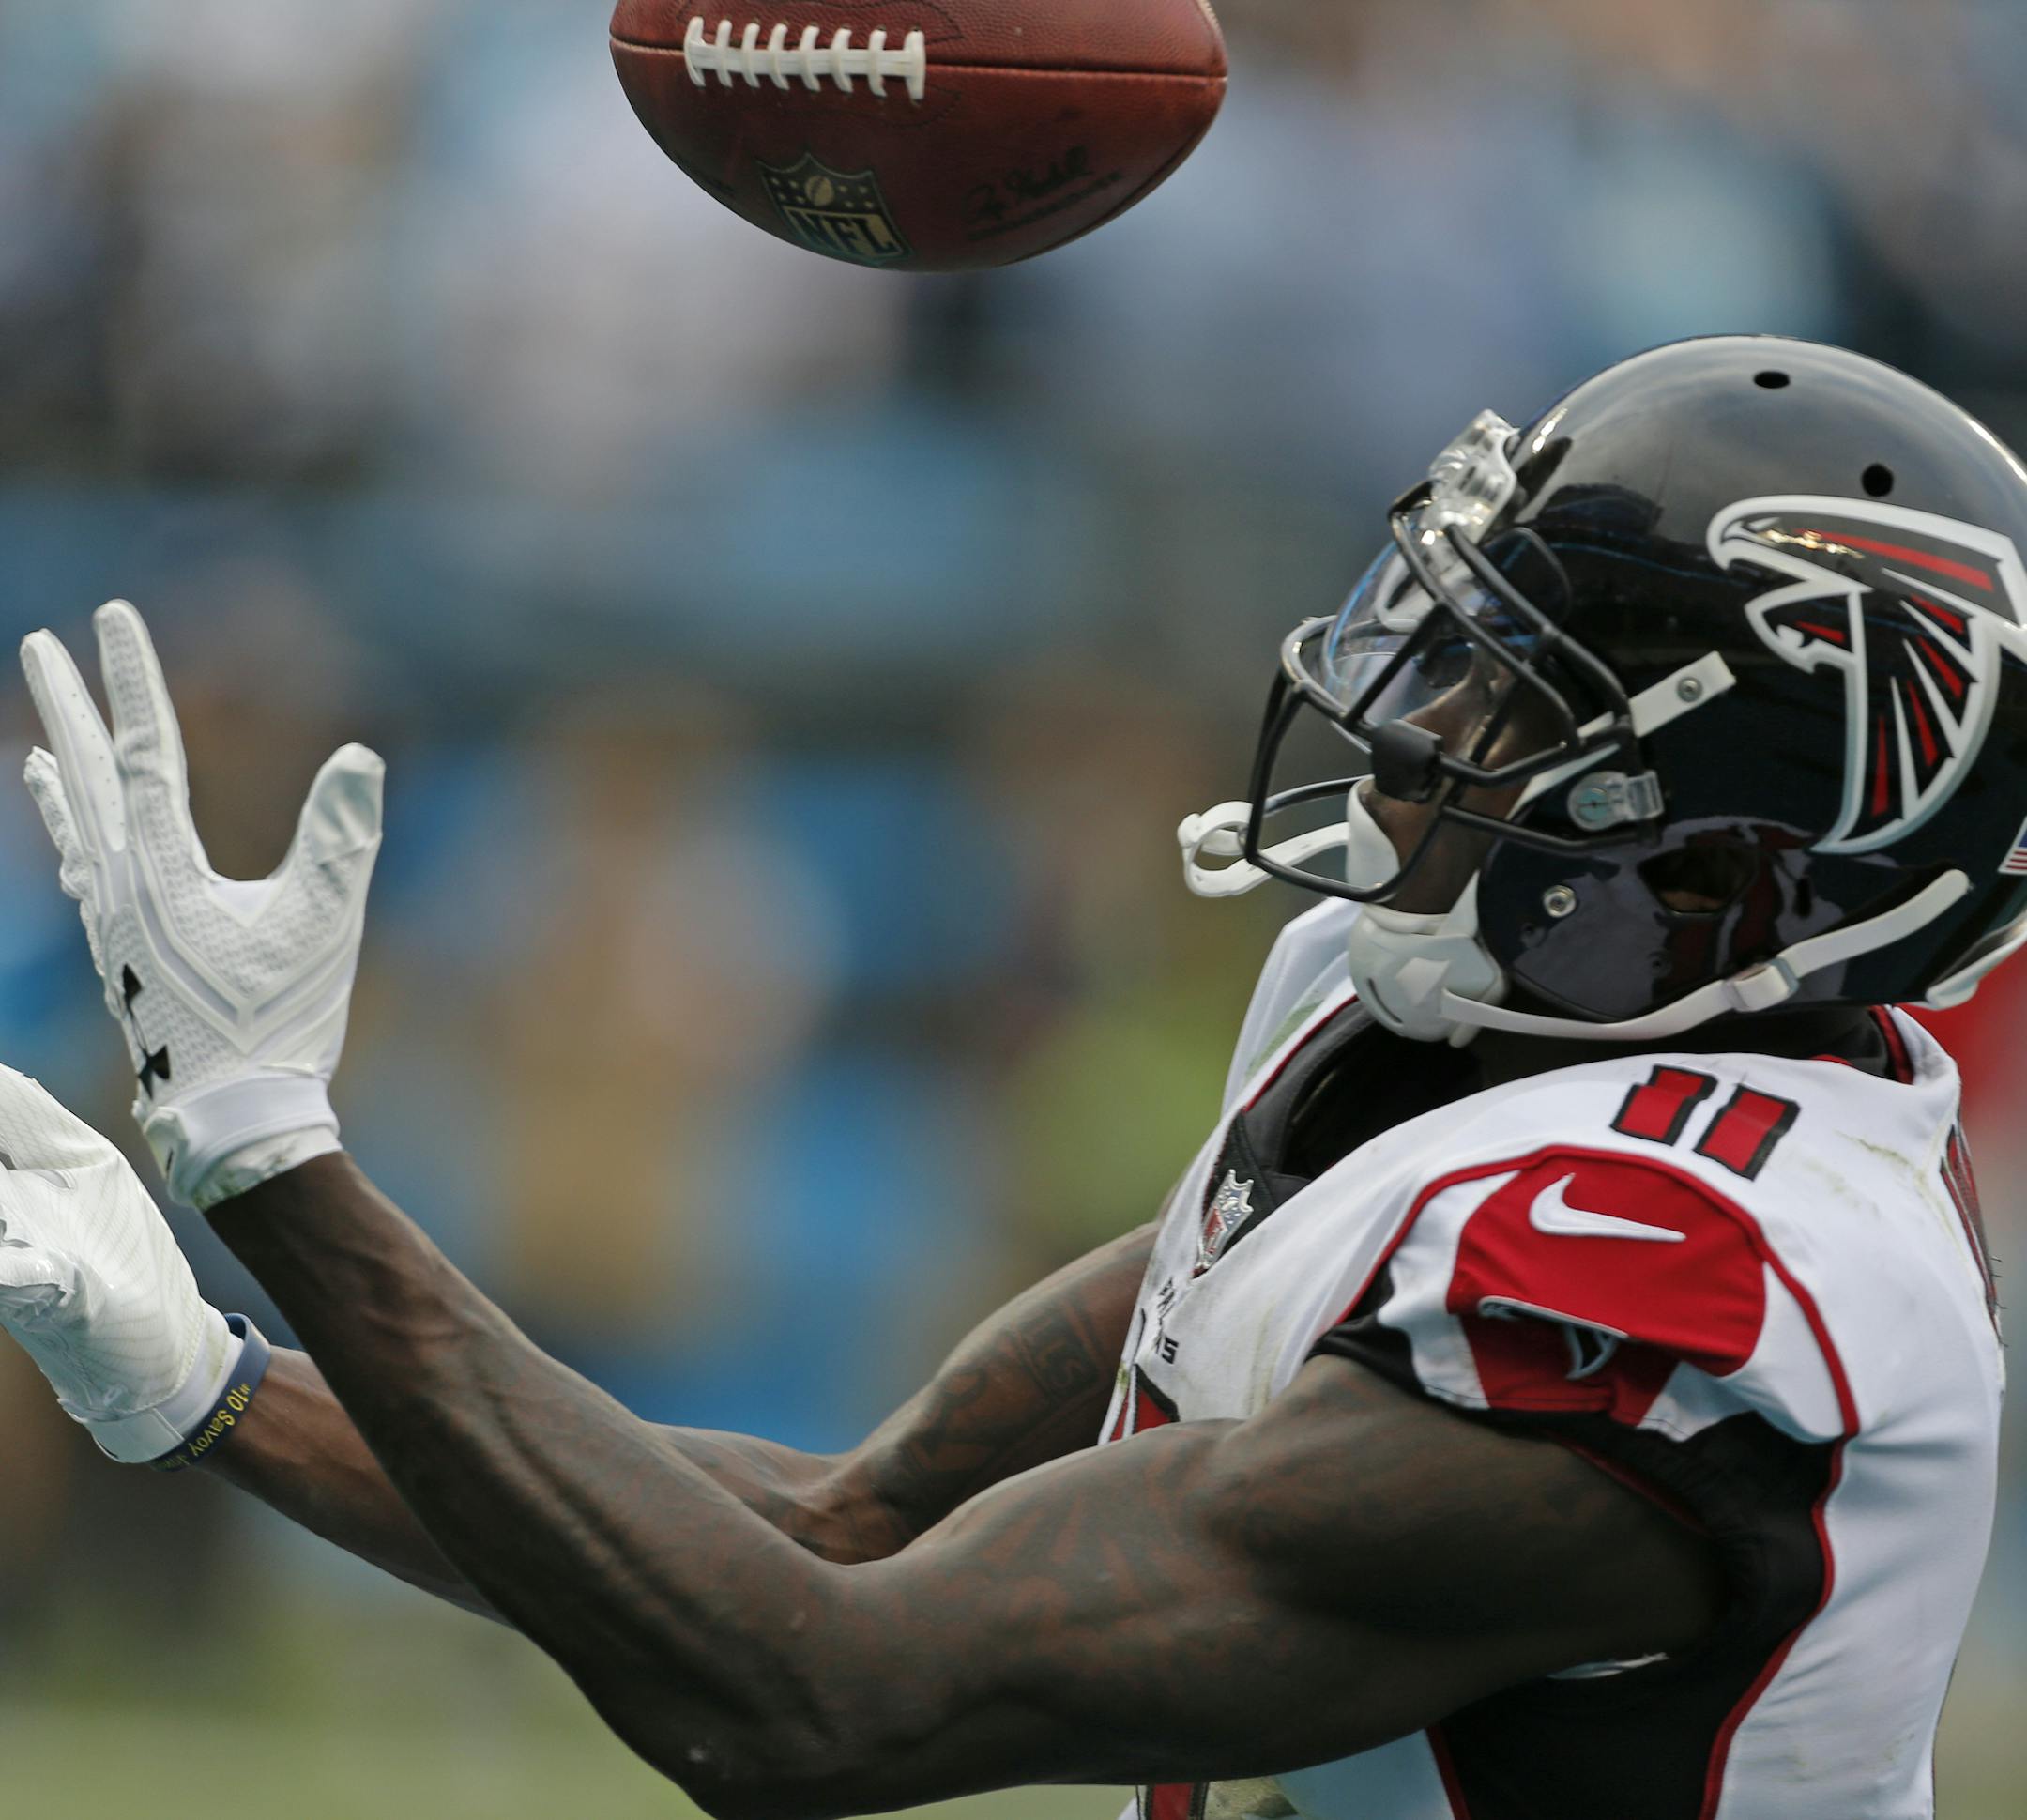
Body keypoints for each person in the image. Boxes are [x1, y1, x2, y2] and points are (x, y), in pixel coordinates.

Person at [0, 335, 2009, 1820]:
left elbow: (824, 1701)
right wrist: (205, 1378)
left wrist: (273, 1160)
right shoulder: (1431, 1049)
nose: (1409, 723)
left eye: (1515, 696)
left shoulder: (1689, 1277)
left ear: (1726, 855)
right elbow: (849, 1526)